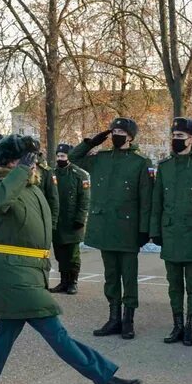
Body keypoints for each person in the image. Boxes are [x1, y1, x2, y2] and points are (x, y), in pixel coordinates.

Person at [0, 135, 141, 384]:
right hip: (13, 272)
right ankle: (106, 380)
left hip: (30, 270)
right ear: (14, 161)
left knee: (3, 338)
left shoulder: (31, 187)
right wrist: (21, 171)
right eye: (27, 158)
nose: (34, 163)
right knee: (57, 333)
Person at [68, 117, 153, 339]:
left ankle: (128, 320)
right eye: (113, 130)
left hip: (128, 229)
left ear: (130, 136)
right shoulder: (101, 159)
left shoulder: (141, 162)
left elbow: (146, 200)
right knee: (111, 276)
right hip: (105, 227)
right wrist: (91, 143)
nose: (115, 134)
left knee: (129, 276)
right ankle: (113, 318)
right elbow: (73, 158)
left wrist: (145, 230)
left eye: (120, 131)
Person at [151, 118, 192, 346]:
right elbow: (156, 202)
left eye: (180, 137)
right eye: (174, 136)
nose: (175, 141)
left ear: (191, 139)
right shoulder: (165, 166)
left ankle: (191, 326)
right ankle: (177, 324)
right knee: (174, 284)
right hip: (171, 234)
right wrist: (155, 231)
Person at [48, 143, 90, 295]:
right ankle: (63, 281)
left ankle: (73, 282)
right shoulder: (51, 174)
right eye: (58, 156)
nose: (60, 159)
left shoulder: (79, 175)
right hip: (57, 221)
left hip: (73, 221)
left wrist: (80, 218)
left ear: (69, 157)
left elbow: (84, 199)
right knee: (60, 254)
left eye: (63, 156)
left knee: (72, 255)